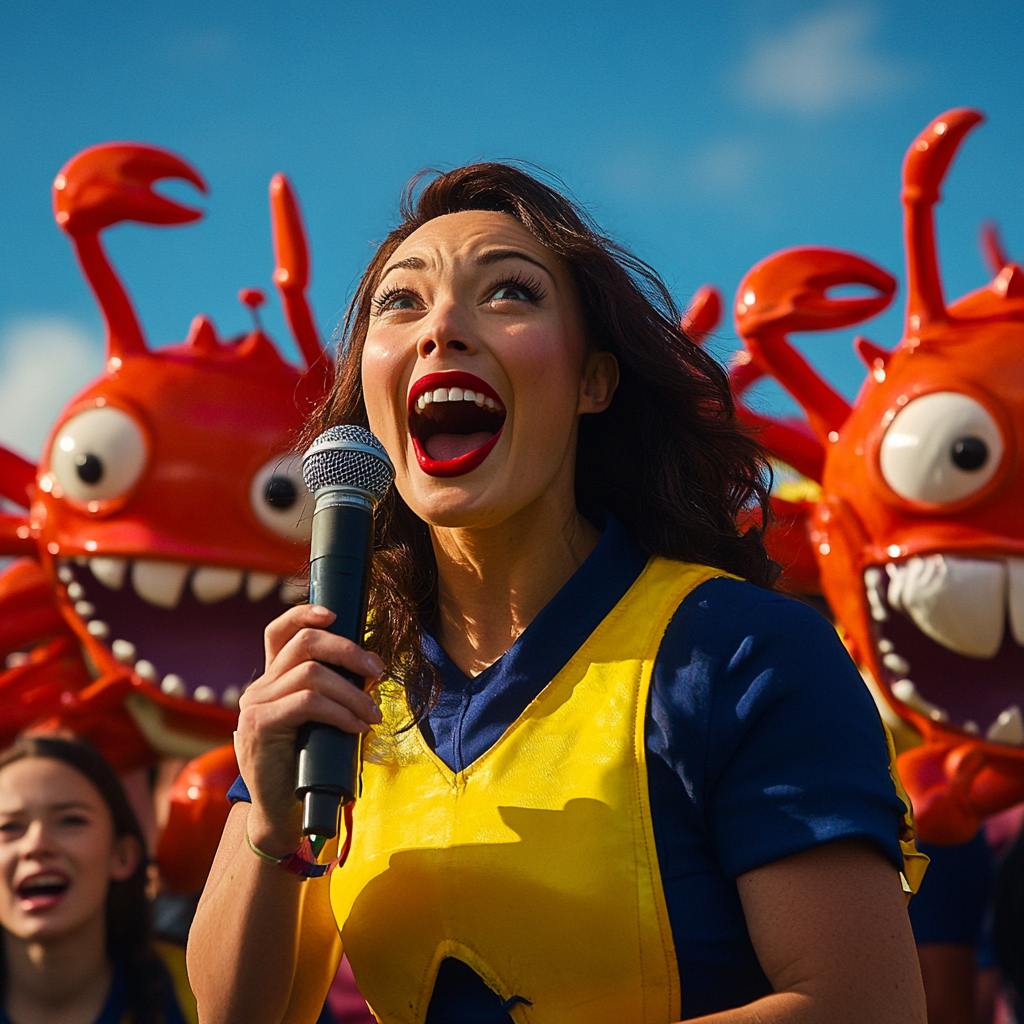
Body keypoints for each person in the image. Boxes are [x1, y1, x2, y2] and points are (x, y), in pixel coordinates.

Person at [188, 163, 928, 1023]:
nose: (442, 330)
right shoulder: (342, 684)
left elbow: (863, 1004)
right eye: (402, 303)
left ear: (595, 382)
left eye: (508, 292)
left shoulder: (741, 649)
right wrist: (272, 830)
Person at [0, 734, 196, 1024]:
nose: (36, 844)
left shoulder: (200, 988)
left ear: (123, 856)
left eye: (70, 820)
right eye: (10, 826)